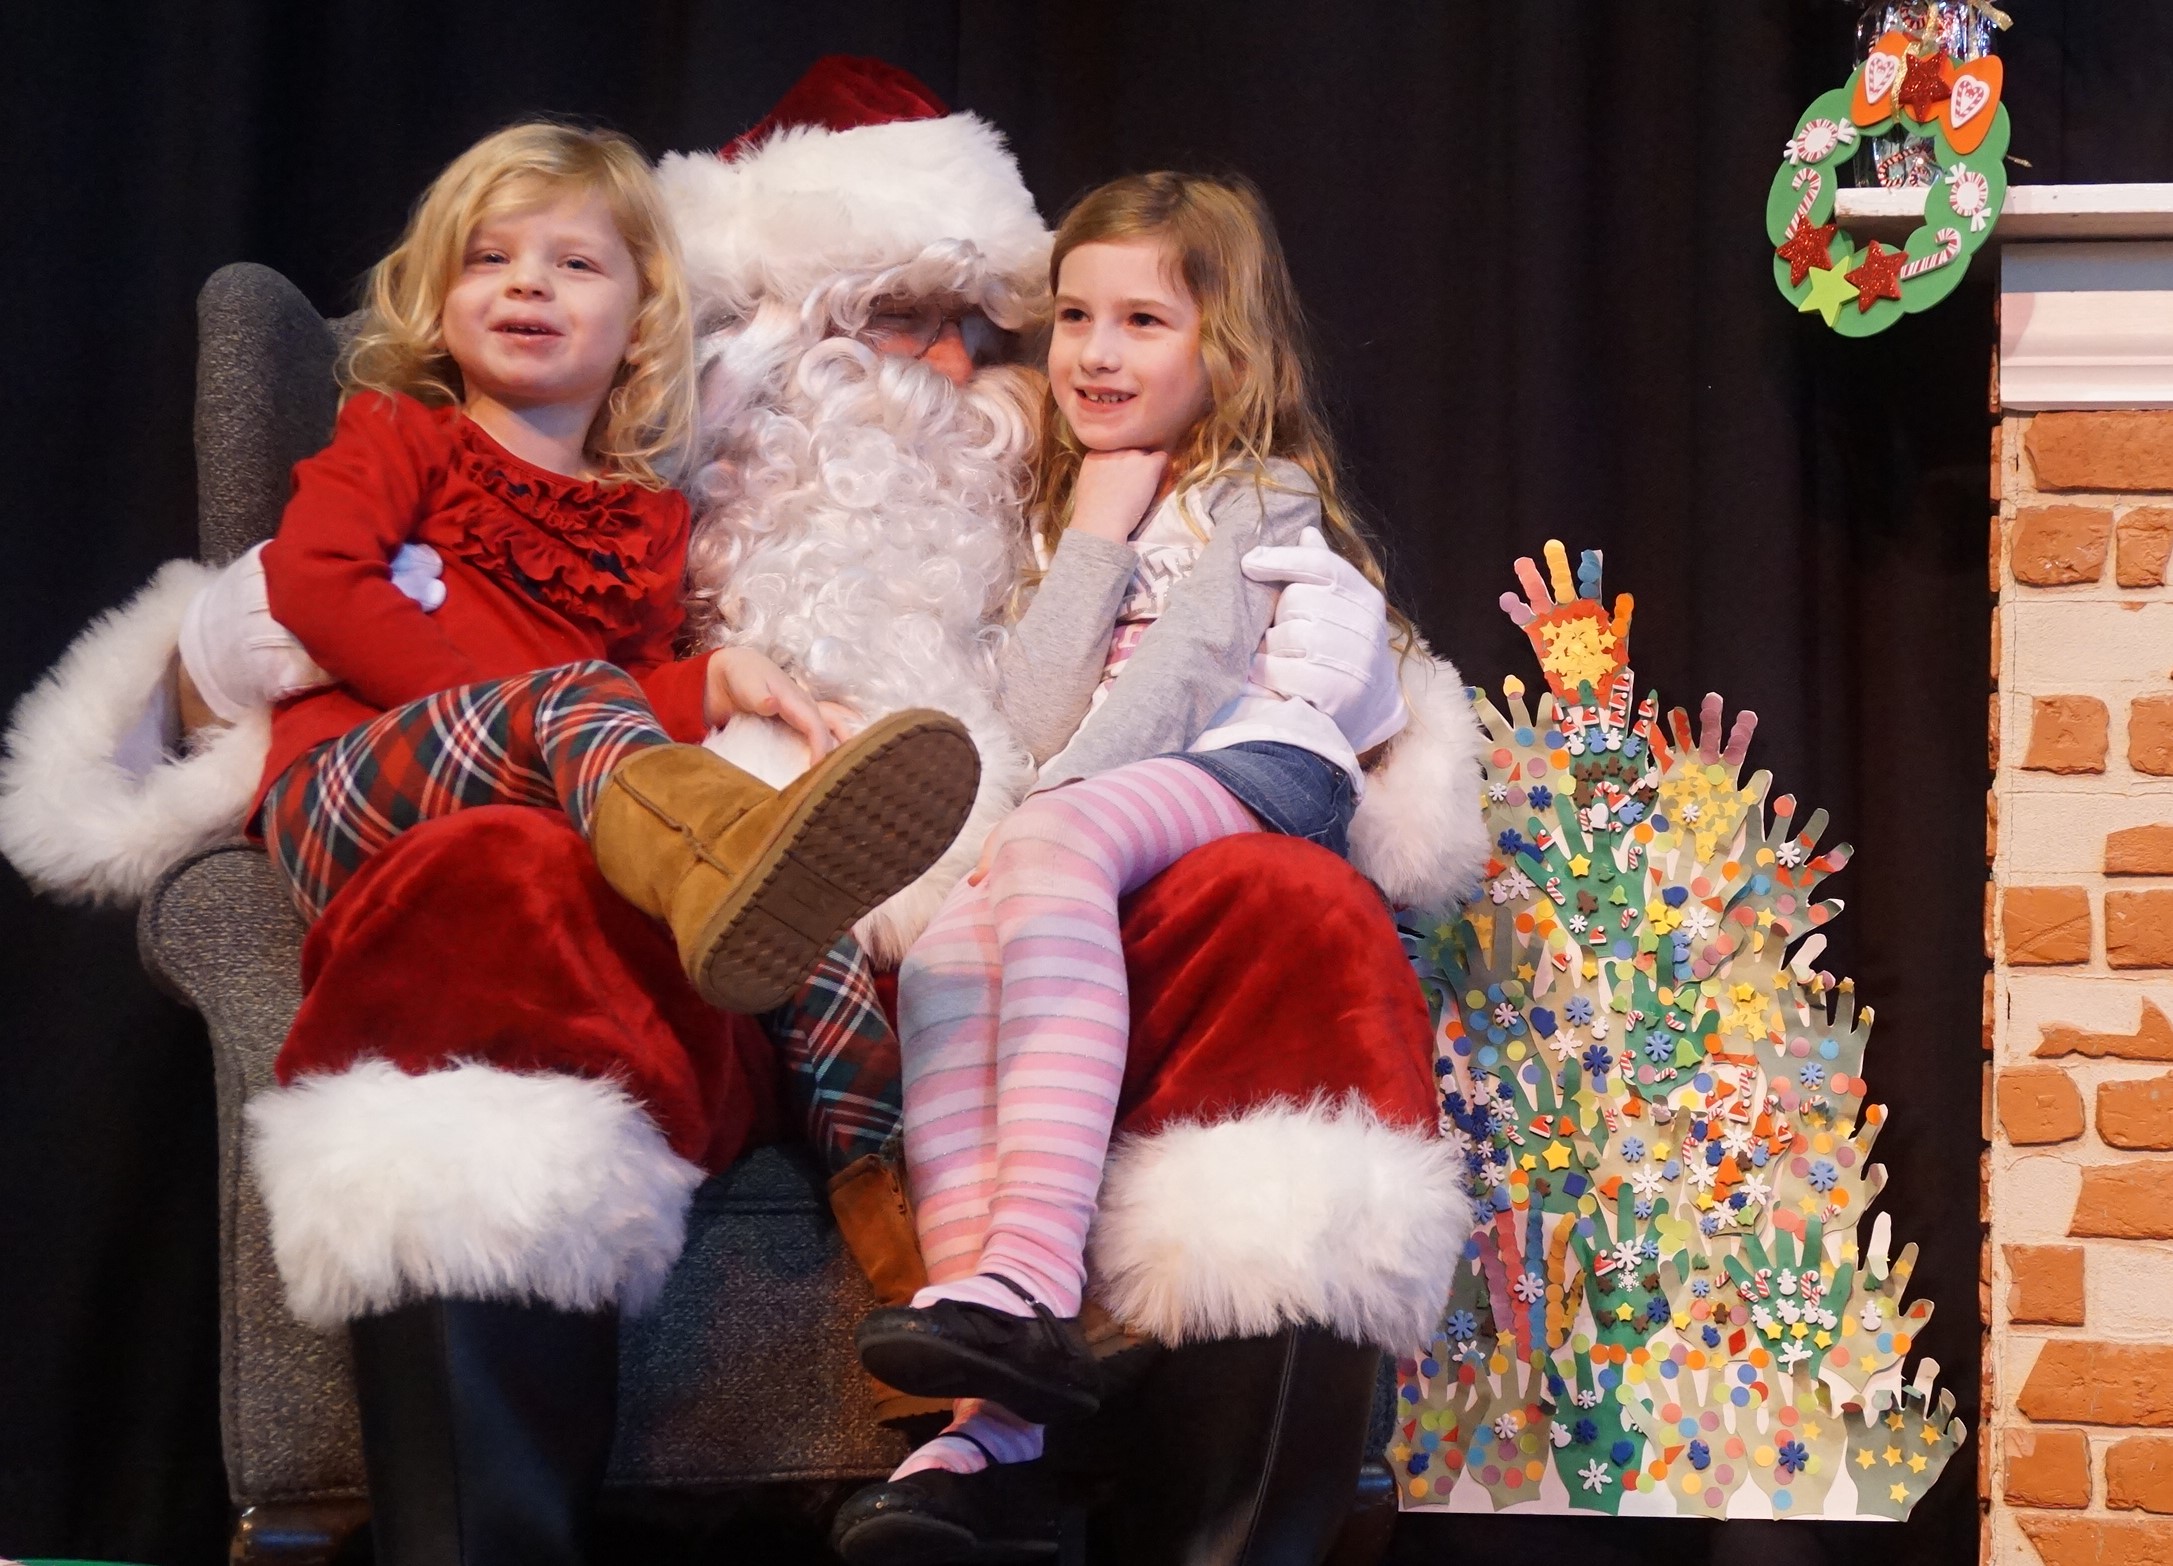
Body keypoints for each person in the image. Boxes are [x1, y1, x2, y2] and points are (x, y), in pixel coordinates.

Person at [0, 58, 1483, 1563]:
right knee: (495, 883)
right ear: (766, 334)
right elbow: (310, 610)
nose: (943, 367)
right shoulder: (639, 466)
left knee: (1284, 908)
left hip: (995, 953)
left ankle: (1063, 1435)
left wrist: (1337, 698)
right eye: (887, 318)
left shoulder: (1061, 487)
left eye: (973, 328)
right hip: (656, 958)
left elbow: (1270, 650)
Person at [832, 169, 1427, 1548]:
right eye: (1074, 318)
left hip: (1258, 766)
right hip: (1110, 788)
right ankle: (991, 1400)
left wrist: (1036, 815)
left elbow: (1183, 682)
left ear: (1231, 351)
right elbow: (1030, 714)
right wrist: (1096, 530)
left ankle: (1030, 1281)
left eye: (1143, 321)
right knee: (945, 951)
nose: (1096, 354)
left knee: (1038, 842)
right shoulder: (1059, 515)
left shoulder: (1257, 496)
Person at [245, 119, 977, 1012]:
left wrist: (713, 681)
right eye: (488, 258)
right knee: (599, 719)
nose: (527, 281)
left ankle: (858, 1088)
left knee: (782, 907)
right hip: (351, 792)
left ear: (641, 325)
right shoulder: (400, 433)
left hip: (534, 820)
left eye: (575, 264)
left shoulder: (647, 516)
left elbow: (632, 692)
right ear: (438, 303)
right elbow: (315, 576)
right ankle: (726, 851)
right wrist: (499, 716)